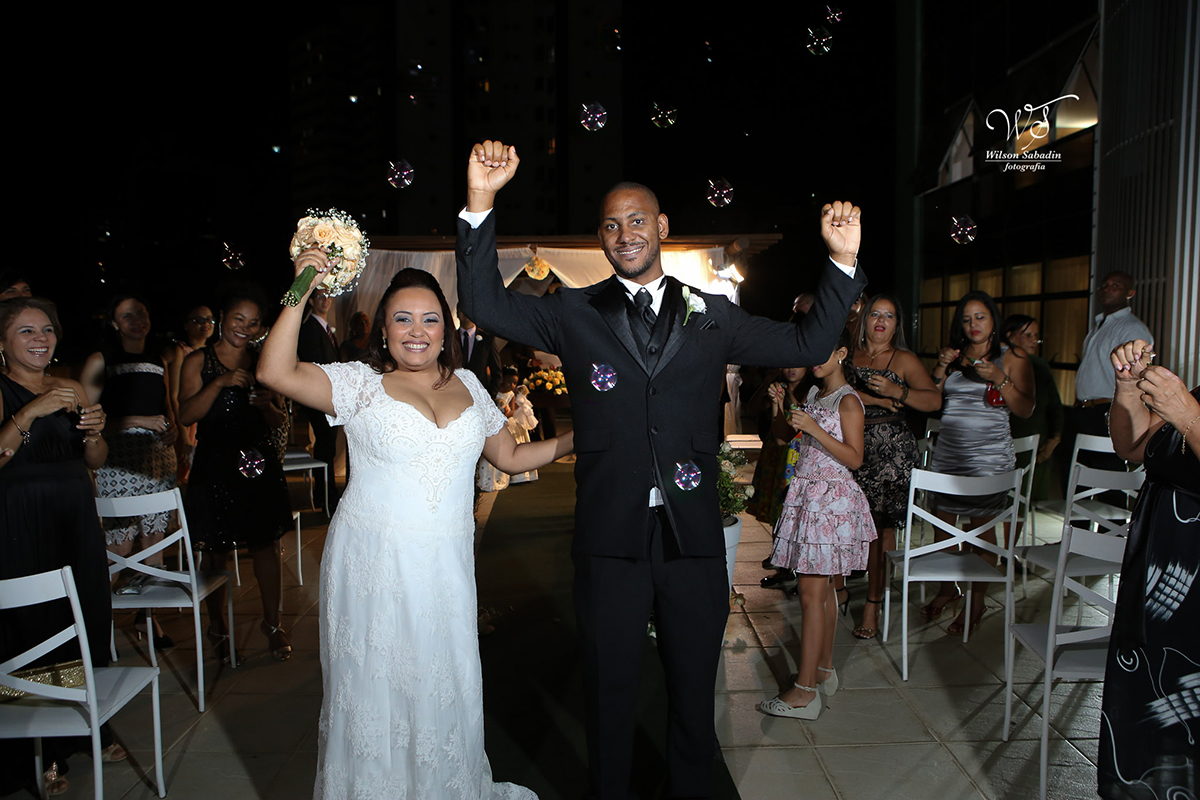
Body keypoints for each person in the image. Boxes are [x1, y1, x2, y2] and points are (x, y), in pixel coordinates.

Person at [456, 139, 867, 798]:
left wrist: (842, 260)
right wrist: (481, 201)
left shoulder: (711, 315)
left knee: (690, 690)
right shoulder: (574, 312)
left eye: (638, 220)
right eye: (613, 224)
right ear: (600, 237)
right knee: (610, 689)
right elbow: (485, 302)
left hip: (691, 536)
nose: (626, 234)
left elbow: (808, 343)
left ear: (663, 228)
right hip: (608, 536)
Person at [257, 259, 572, 799]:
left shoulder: (470, 383)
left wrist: (578, 441)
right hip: (371, 562)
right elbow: (274, 371)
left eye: (430, 320)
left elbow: (513, 455)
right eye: (402, 319)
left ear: (446, 329)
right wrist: (302, 284)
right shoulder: (359, 383)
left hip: (445, 566)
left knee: (442, 682)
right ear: (382, 328)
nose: (417, 332)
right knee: (376, 689)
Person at [0, 297, 117, 795]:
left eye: (46, 330)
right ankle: (39, 745)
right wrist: (30, 410)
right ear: (1, 343)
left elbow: (94, 459)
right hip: (22, 522)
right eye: (26, 332)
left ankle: (83, 722)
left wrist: (94, 434)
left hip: (76, 518)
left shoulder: (67, 386)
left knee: (82, 615)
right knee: (35, 624)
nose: (40, 339)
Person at [1097, 340, 1197, 799]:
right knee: (1149, 714)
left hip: (1191, 593)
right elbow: (1131, 446)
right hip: (1155, 583)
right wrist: (1127, 391)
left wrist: (1191, 418)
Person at [757, 331, 876, 720]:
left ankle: (804, 692)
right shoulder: (812, 396)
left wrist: (813, 428)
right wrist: (780, 408)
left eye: (820, 353)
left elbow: (855, 458)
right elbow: (782, 439)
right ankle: (822, 671)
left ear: (841, 353)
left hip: (830, 505)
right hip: (810, 499)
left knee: (811, 595)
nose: (812, 361)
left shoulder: (849, 401)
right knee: (822, 594)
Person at [177, 288, 293, 663]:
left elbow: (279, 417)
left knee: (266, 547)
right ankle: (217, 628)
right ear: (223, 318)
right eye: (238, 319)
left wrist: (267, 407)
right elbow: (186, 415)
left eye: (253, 321)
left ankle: (272, 625)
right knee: (215, 550)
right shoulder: (198, 361)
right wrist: (219, 383)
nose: (245, 327)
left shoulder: (264, 362)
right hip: (215, 465)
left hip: (257, 463)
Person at [924, 291, 1034, 635]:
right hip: (949, 457)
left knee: (980, 537)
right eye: (967, 319)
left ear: (993, 320)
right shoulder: (955, 356)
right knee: (942, 532)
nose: (973, 325)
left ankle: (976, 602)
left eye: (980, 317)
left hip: (987, 461)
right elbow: (931, 399)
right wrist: (941, 367)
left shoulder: (1011, 356)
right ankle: (948, 589)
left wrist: (999, 378)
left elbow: (1026, 408)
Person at [79, 296, 178, 647]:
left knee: (156, 539)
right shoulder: (101, 359)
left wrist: (173, 429)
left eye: (142, 312)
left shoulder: (157, 358)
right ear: (115, 323)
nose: (137, 320)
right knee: (118, 546)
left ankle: (149, 622)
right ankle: (95, 625)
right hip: (118, 460)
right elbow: (84, 421)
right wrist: (138, 421)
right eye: (127, 315)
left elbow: (166, 406)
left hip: (156, 458)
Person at [848, 294, 941, 639]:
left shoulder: (903, 359)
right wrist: (869, 397)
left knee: (881, 531)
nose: (881, 321)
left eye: (889, 315)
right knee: (848, 526)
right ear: (864, 319)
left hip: (891, 453)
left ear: (897, 324)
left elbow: (933, 400)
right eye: (875, 313)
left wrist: (894, 392)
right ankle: (839, 590)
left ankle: (873, 604)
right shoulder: (848, 355)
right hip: (851, 446)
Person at [1071, 271, 1153, 474]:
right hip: (1084, 411)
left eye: (1115, 285)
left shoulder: (1132, 328)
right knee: (1075, 473)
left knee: (1108, 477)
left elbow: (1139, 375)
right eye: (1104, 285)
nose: (1107, 288)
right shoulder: (1099, 325)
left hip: (1108, 412)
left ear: (1130, 292)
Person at [1001, 314, 1064, 502]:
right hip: (1004, 441)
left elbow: (1055, 405)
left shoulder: (1039, 366)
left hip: (1034, 442)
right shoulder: (997, 364)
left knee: (1024, 500)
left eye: (1036, 336)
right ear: (1010, 336)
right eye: (1028, 335)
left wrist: (1054, 438)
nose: (1034, 340)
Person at [296, 288, 341, 510]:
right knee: (324, 447)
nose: (326, 301)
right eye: (321, 297)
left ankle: (327, 493)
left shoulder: (324, 328)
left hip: (330, 397)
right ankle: (325, 496)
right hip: (319, 397)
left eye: (329, 297)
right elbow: (315, 366)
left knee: (328, 447)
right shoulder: (309, 329)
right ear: (312, 301)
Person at [165, 304, 214, 484]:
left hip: (207, 422)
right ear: (186, 325)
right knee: (185, 476)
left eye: (209, 319)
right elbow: (174, 396)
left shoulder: (213, 352)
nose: (205, 324)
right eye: (198, 320)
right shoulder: (180, 351)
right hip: (186, 423)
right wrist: (184, 435)